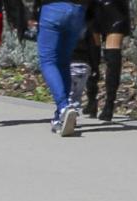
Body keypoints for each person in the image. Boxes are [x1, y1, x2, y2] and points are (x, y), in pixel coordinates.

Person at [32, 0, 91, 136]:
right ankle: (59, 117)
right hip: (77, 9)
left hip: (53, 7)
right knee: (64, 62)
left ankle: (63, 106)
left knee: (48, 61)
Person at [86, 0, 131, 120]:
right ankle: (108, 105)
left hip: (95, 6)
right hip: (116, 6)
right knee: (112, 51)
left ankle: (93, 99)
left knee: (93, 48)